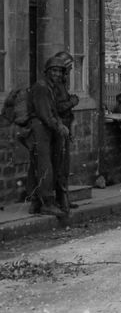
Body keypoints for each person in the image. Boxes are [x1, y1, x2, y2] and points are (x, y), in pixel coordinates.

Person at [20, 56, 70, 217]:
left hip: (44, 129)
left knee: (40, 165)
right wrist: (60, 127)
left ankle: (36, 203)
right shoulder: (42, 87)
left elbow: (52, 111)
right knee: (44, 165)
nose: (56, 74)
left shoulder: (50, 87)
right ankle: (47, 203)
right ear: (47, 72)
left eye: (59, 71)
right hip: (40, 128)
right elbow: (45, 114)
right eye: (53, 70)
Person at [50, 50, 79, 214]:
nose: (67, 70)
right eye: (65, 66)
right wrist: (72, 101)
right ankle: (61, 199)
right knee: (59, 165)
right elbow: (58, 107)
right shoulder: (54, 85)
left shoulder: (62, 83)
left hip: (65, 126)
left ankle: (64, 198)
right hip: (58, 127)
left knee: (64, 165)